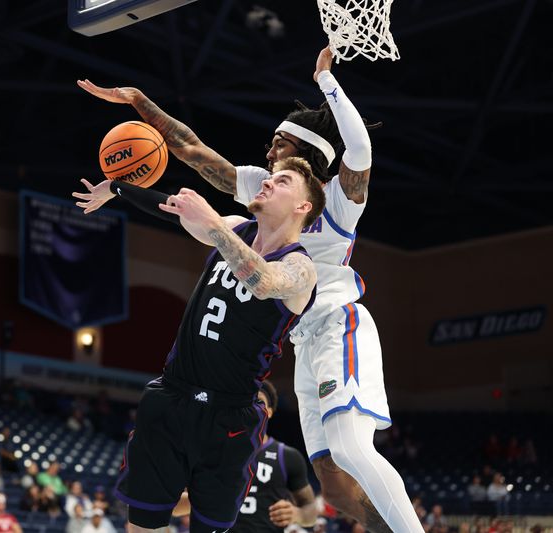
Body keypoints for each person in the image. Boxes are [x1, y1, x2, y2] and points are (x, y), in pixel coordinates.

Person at [77, 45, 423, 532]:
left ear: (302, 165)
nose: (267, 153)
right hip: (301, 340)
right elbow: (192, 151)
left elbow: (359, 151)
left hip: (336, 323)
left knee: (349, 447)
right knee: (333, 480)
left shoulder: (336, 202)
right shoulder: (262, 197)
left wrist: (326, 79)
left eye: (278, 144)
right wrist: (139, 103)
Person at [74, 159, 321, 529]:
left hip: (230, 417)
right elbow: (174, 211)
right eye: (269, 177)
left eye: (282, 181)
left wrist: (214, 226)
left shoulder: (300, 268)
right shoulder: (238, 227)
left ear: (304, 207)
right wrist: (116, 188)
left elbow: (264, 282)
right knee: (141, 523)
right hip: (172, 396)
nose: (268, 183)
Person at [172, 380, 317, 531]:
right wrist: (207, 500)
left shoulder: (287, 456)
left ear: (270, 411)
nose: (253, 407)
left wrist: (298, 514)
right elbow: (175, 507)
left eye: (259, 401)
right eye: (248, 401)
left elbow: (311, 509)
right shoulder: (209, 452)